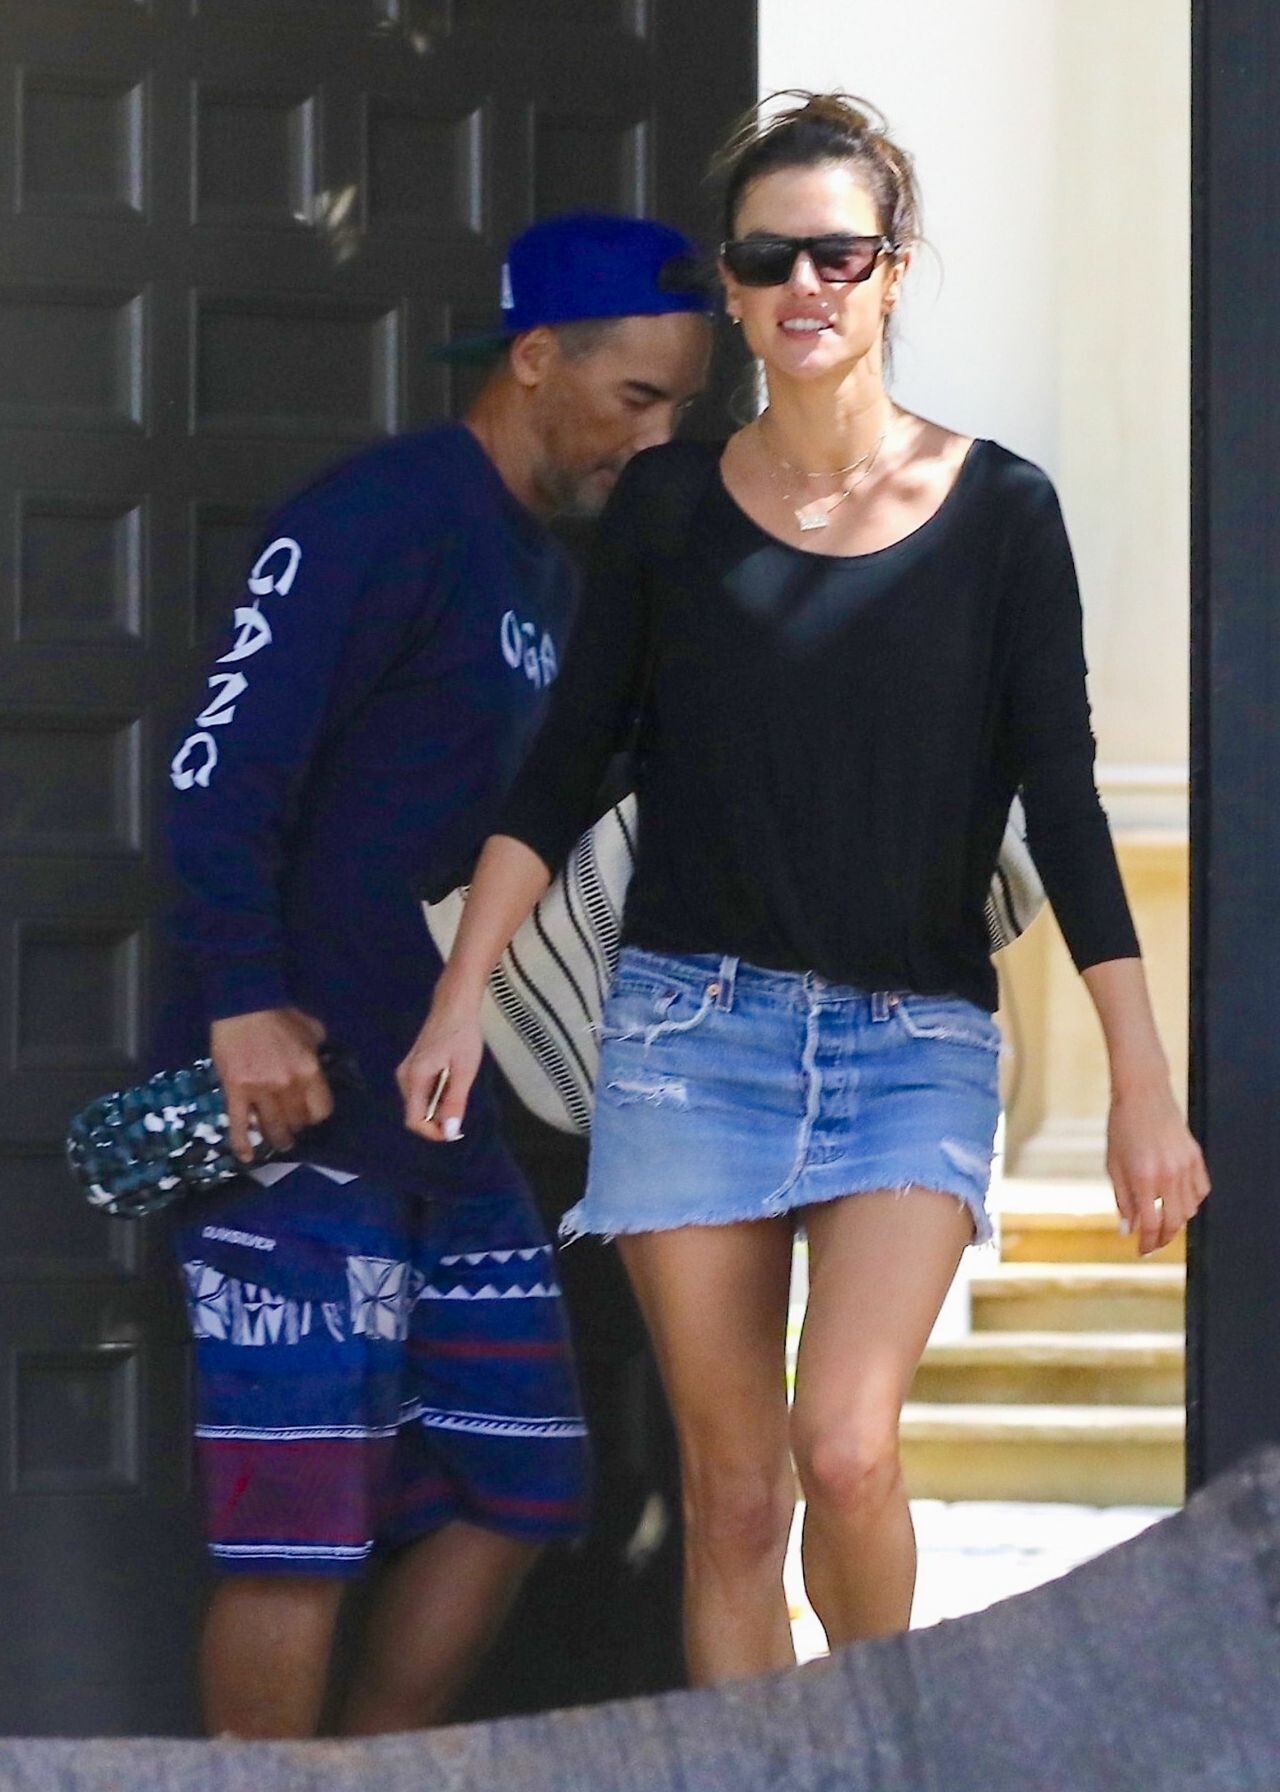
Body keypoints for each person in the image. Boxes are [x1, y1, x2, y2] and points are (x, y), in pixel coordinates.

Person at [398, 95, 1211, 1686]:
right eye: (769, 260)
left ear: (894, 268)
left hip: (916, 1044)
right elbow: (561, 770)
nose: (804, 286)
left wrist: (1142, 1083)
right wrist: (457, 995)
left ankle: (877, 1737)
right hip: (688, 1039)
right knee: (734, 1498)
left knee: (844, 1447)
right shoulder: (668, 511)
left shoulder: (1002, 511)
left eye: (838, 252)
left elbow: (1064, 803)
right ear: (731, 286)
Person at [158, 211, 711, 1737]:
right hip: (294, 1110)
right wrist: (239, 998)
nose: (655, 441)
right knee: (299, 1532)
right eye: (636, 399)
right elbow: (217, 769)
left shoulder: (555, 576)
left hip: (450, 1122)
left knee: (521, 1485)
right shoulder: (382, 515)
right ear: (535, 359)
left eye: (680, 408)